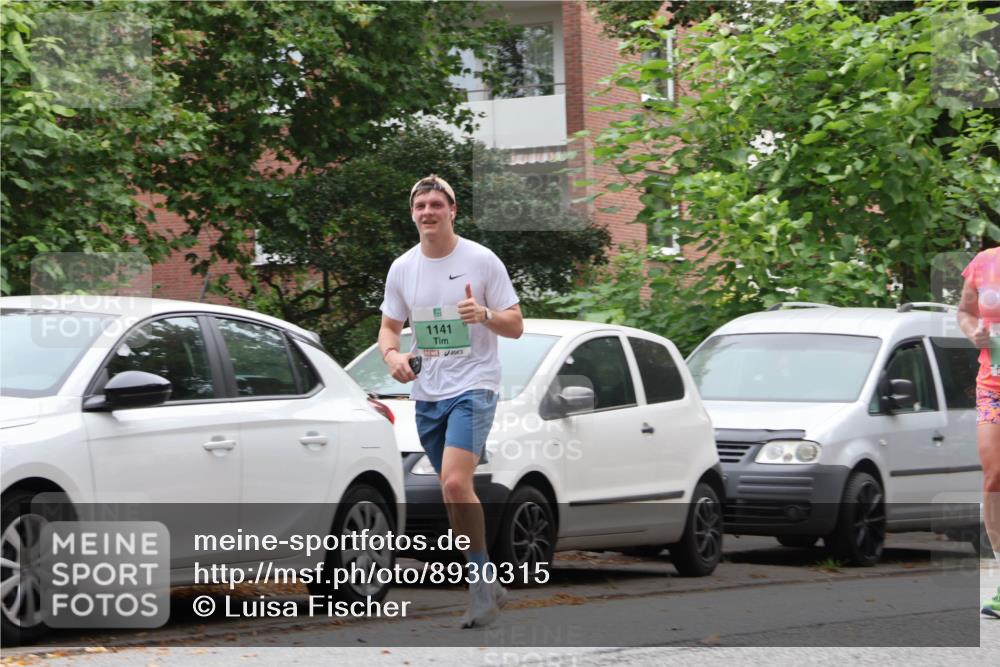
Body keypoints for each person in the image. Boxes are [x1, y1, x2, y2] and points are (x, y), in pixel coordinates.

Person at [378, 174, 523, 627]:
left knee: (457, 485)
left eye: (436, 204)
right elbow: (388, 328)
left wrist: (482, 314)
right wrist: (392, 356)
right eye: (420, 205)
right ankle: (488, 579)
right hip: (428, 392)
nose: (427, 212)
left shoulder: (481, 261)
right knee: (450, 492)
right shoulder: (403, 268)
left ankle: (479, 586)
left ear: (452, 210)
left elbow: (515, 324)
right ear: (412, 214)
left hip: (475, 385)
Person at [957, 244, 1000, 618]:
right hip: (994, 386)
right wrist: (975, 334)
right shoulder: (985, 262)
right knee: (994, 478)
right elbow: (965, 312)